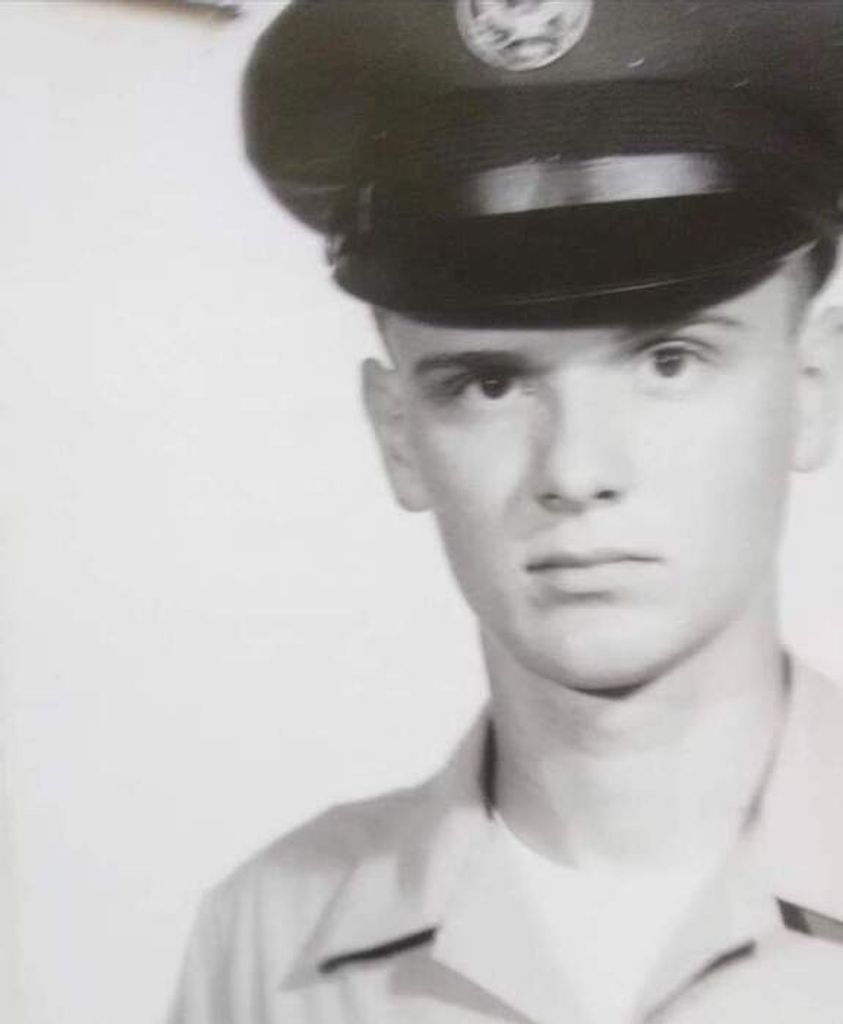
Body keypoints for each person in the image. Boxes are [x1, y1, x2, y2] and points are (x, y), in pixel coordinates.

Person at [169, 1, 843, 1021]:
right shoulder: (270, 942)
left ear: (812, 386)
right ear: (398, 434)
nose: (576, 468)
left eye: (669, 360)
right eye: (487, 384)